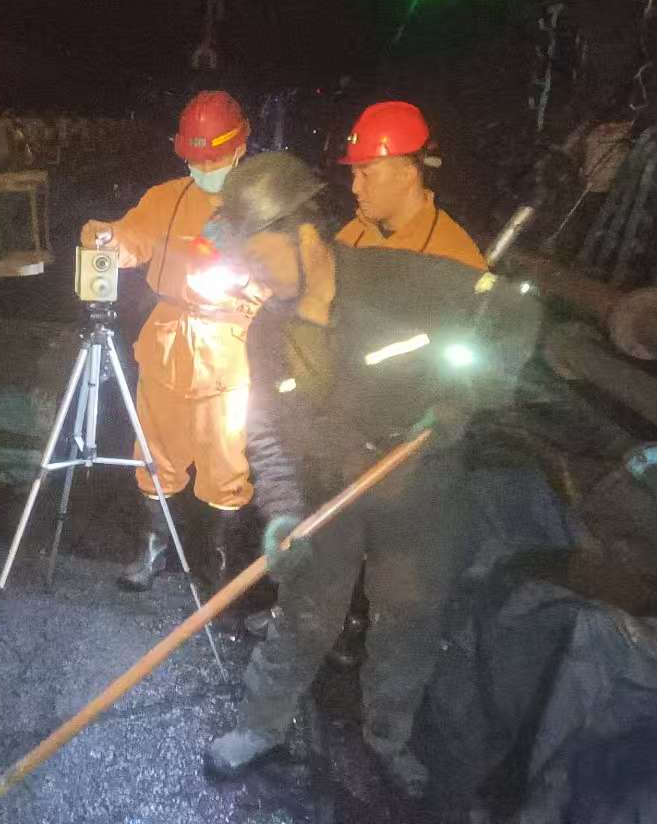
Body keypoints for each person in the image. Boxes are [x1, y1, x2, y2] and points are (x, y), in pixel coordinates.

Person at [203, 152, 540, 797]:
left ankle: (388, 738)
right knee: (304, 615)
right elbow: (266, 427)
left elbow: (516, 313)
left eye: (258, 258)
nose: (253, 276)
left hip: (420, 487)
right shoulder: (269, 332)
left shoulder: (405, 279)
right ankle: (259, 726)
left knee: (408, 622)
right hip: (328, 490)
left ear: (304, 233)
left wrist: (467, 399)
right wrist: (281, 509)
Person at [80, 91, 263, 591]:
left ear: (240, 149)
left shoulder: (260, 207)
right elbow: (133, 237)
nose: (204, 169)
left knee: (224, 465)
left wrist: (244, 285)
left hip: (228, 349)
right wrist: (107, 239)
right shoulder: (167, 198)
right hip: (166, 343)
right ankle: (153, 550)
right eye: (195, 161)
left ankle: (220, 566)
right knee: (154, 454)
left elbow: (283, 276)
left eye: (214, 161)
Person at [336, 101, 487, 271]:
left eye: (366, 174)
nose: (355, 188)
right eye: (354, 174)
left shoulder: (453, 259)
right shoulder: (352, 237)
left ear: (407, 175)